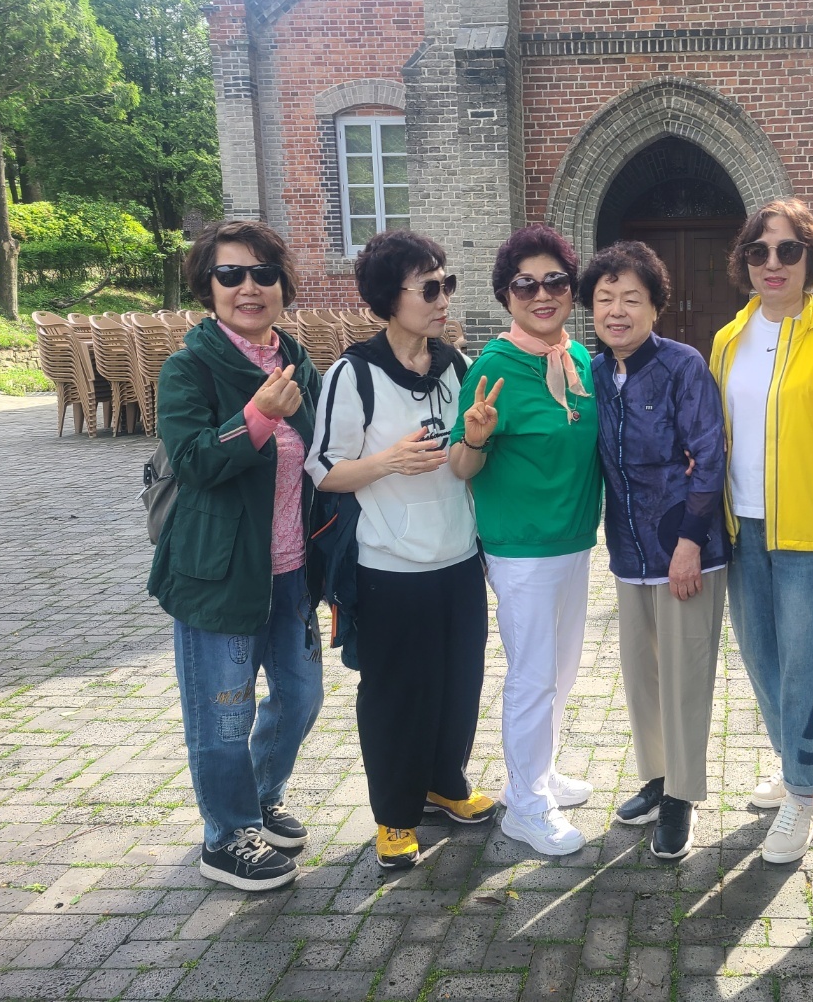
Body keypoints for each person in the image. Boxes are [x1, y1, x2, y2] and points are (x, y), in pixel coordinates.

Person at [305, 230, 494, 872]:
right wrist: (385, 462)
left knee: (459, 683)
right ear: (390, 298)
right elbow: (323, 470)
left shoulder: (457, 367)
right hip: (388, 567)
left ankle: (445, 783)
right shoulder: (353, 374)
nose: (444, 300)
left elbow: (464, 466)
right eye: (429, 288)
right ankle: (394, 815)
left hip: (459, 559)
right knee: (395, 695)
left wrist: (475, 441)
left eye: (448, 284)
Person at [148, 220, 323, 891]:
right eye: (231, 274)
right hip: (218, 574)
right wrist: (257, 416)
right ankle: (225, 836)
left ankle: (258, 797)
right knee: (224, 714)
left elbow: (322, 457)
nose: (249, 287)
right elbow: (194, 462)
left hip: (291, 570)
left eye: (263, 274)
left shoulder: (297, 361)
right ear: (209, 286)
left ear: (281, 285)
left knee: (301, 698)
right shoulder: (188, 369)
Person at [709, 197, 813, 864]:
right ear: (745, 261)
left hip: (809, 530)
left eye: (787, 250)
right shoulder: (728, 338)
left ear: (811, 259)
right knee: (761, 658)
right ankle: (797, 764)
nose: (772, 263)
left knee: (807, 664)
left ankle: (804, 792)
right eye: (759, 251)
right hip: (741, 523)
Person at [448, 224, 603, 857]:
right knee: (533, 675)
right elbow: (460, 465)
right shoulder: (495, 366)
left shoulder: (579, 357)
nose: (542, 295)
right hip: (521, 549)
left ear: (571, 289)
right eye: (525, 285)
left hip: (574, 540)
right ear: (506, 295)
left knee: (561, 671)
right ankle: (525, 804)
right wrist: (476, 436)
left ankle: (540, 773)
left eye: (555, 282)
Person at [581, 241, 729, 860]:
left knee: (685, 677)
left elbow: (710, 456)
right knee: (642, 675)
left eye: (631, 299)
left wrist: (690, 542)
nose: (617, 311)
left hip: (684, 548)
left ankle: (682, 796)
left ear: (655, 307)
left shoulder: (682, 366)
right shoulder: (591, 372)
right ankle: (657, 778)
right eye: (605, 299)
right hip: (627, 548)